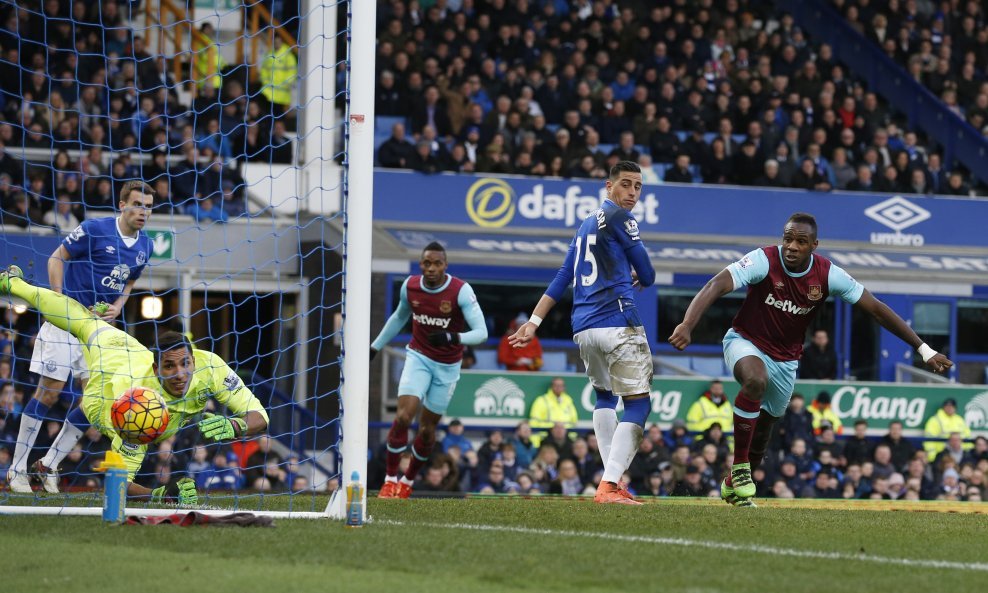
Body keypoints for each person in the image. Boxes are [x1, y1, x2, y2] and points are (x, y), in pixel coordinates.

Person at [668, 212, 953, 507]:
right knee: (755, 381)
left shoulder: (828, 275)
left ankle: (734, 485)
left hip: (787, 360)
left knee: (765, 430)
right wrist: (688, 324)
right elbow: (716, 284)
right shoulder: (763, 260)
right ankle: (739, 467)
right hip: (744, 341)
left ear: (814, 245)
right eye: (787, 239)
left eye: (800, 241)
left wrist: (924, 349)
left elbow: (877, 309)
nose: (791, 246)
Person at [0, 266, 270, 502]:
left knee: (87, 322)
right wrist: (160, 495)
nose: (179, 373)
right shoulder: (138, 413)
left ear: (193, 360)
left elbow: (261, 417)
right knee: (79, 321)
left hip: (131, 349)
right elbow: (117, 485)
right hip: (108, 383)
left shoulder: (209, 365)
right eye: (169, 366)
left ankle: (47, 464)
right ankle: (11, 283)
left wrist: (236, 425)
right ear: (157, 369)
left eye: (185, 363)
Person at [508, 161, 656, 505]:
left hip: (584, 328)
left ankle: (610, 482)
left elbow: (563, 275)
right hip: (619, 323)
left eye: (637, 187)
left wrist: (534, 321)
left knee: (606, 397)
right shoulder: (623, 219)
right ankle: (609, 485)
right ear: (609, 186)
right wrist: (640, 276)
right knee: (639, 403)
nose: (632, 193)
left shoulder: (585, 224)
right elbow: (647, 273)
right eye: (625, 185)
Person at [8, 181, 156, 494]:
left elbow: (129, 282)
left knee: (95, 401)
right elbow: (55, 257)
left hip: (99, 333)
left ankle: (48, 464)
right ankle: (16, 469)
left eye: (148, 206)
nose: (143, 211)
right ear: (122, 205)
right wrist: (58, 301)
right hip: (67, 322)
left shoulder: (146, 246)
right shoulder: (94, 229)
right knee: (49, 393)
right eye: (137, 204)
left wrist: (118, 306)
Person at [371, 242, 488, 499]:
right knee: (403, 416)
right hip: (418, 357)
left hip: (447, 367)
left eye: (437, 263)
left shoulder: (460, 291)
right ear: (420, 264)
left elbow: (482, 333)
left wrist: (452, 337)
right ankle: (390, 480)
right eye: (427, 263)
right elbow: (399, 317)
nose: (431, 268)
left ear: (445, 265)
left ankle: (408, 480)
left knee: (426, 430)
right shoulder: (410, 286)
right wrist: (375, 346)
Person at [528, 377, 578, 447]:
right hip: (546, 439)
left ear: (564, 387)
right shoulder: (541, 400)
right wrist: (536, 444)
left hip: (566, 440)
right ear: (551, 387)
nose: (558, 388)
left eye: (561, 386)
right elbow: (534, 422)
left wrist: (573, 440)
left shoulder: (568, 401)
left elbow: (574, 422)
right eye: (556, 385)